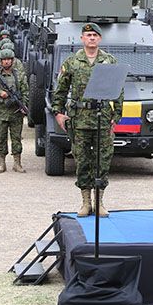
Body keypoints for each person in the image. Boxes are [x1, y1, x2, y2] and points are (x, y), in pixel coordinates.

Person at [52, 23, 123, 217]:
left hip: (102, 119)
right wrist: (58, 113)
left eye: (94, 35)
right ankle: (85, 202)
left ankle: (99, 202)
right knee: (82, 160)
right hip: (80, 120)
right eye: (88, 35)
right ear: (82, 39)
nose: (91, 38)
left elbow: (118, 90)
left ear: (99, 39)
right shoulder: (72, 62)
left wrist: (117, 115)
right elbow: (60, 90)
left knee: (103, 160)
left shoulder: (109, 61)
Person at [0, 49, 29, 173]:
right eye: (4, 60)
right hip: (0, 112)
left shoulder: (19, 75)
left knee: (16, 138)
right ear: (0, 61)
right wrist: (0, 93)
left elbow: (25, 92)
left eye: (8, 59)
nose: (6, 62)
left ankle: (17, 163)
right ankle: (1, 163)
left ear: (12, 60)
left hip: (16, 113)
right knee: (1, 138)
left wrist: (23, 105)